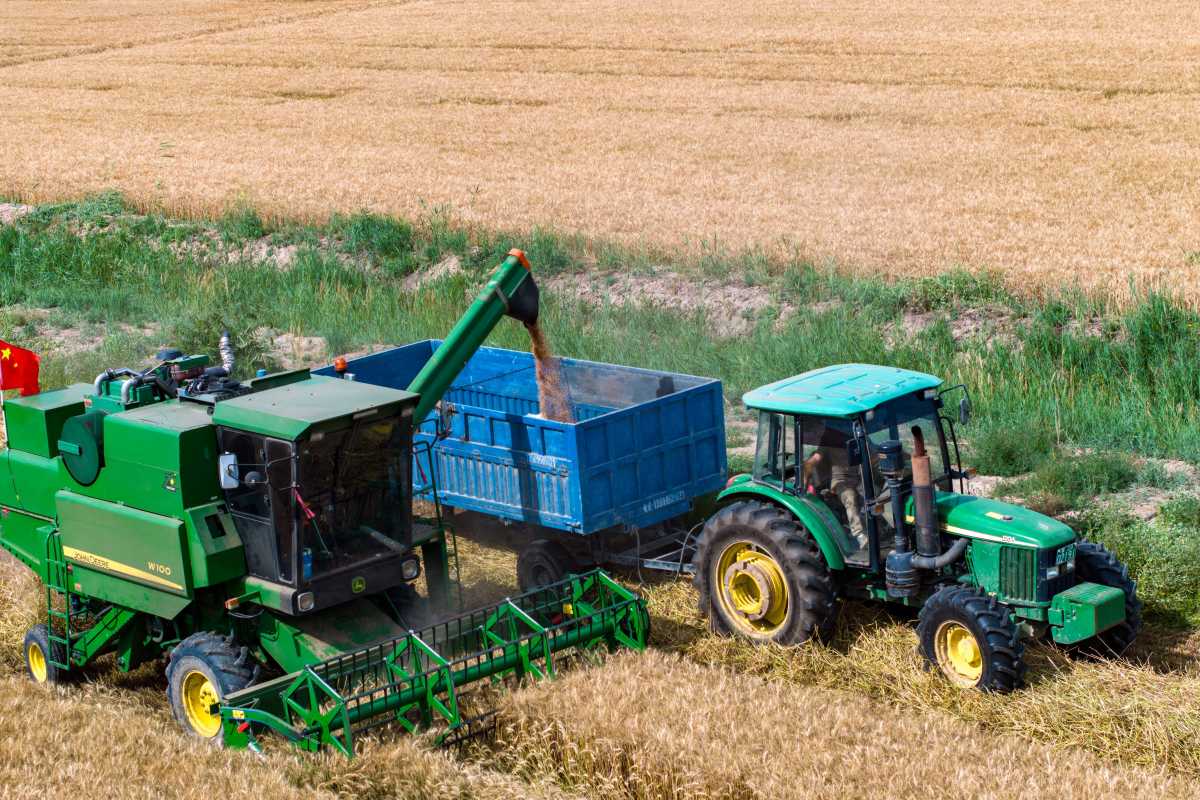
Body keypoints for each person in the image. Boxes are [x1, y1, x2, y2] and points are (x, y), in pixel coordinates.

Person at [803, 427, 868, 552]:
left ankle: (884, 528)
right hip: (840, 481)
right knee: (850, 497)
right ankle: (860, 535)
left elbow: (874, 453)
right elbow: (815, 459)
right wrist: (807, 467)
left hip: (861, 478)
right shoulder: (830, 440)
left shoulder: (857, 435)